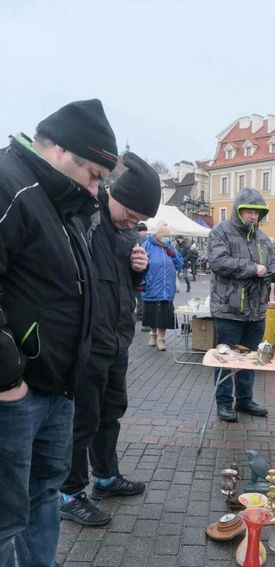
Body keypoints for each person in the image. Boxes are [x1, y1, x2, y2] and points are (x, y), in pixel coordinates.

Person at [0, 99, 118, 567]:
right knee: (3, 510)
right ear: (60, 150)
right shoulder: (11, 185)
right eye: (94, 174)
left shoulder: (60, 200)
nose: (97, 189)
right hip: (14, 391)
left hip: (55, 385)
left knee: (43, 488)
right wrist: (6, 377)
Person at [60, 153, 161, 528]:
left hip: (117, 340)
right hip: (87, 341)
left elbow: (126, 285)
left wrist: (139, 271)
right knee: (83, 419)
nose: (134, 222)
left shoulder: (125, 233)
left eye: (140, 220)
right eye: (132, 214)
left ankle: (105, 477)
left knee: (111, 412)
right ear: (116, 194)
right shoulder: (86, 217)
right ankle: (69, 493)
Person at [208, 187, 275, 422]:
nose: (253, 216)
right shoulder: (220, 232)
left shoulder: (264, 239)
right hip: (229, 310)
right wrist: (252, 268)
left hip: (256, 311)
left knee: (250, 358)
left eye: (257, 212)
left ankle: (244, 400)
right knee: (225, 358)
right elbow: (218, 261)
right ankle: (224, 403)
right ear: (238, 211)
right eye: (249, 211)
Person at [142, 223, 183, 350]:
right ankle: (153, 334)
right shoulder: (147, 245)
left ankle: (161, 339)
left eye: (168, 236)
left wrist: (173, 255)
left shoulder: (169, 246)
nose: (167, 238)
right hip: (152, 286)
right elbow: (140, 265)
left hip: (167, 287)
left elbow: (179, 264)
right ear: (158, 235)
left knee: (163, 315)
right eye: (164, 236)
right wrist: (143, 282)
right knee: (152, 313)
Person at [135, 222, 148, 324]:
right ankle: (142, 314)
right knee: (142, 295)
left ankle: (139, 313)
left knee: (138, 295)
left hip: (134, 269)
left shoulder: (133, 236)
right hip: (143, 270)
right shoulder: (145, 239)